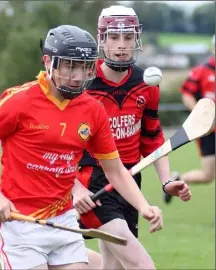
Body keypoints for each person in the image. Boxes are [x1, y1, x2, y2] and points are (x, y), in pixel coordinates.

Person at [0, 24, 164, 270]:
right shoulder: (19, 101)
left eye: (84, 66)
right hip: (20, 224)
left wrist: (144, 206)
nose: (78, 76)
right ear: (48, 61)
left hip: (64, 221)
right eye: (69, 65)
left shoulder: (92, 109)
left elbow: (116, 170)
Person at [72, 5, 191, 270]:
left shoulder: (145, 84)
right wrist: (75, 188)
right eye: (114, 37)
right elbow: (61, 145)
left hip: (130, 179)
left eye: (128, 37)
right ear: (101, 39)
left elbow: (153, 138)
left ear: (137, 39)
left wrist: (166, 180)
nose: (122, 45)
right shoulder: (84, 85)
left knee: (114, 267)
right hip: (94, 182)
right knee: (141, 266)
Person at [164, 34, 215, 204]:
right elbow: (186, 93)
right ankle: (178, 179)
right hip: (210, 131)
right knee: (208, 175)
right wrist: (200, 114)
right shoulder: (201, 71)